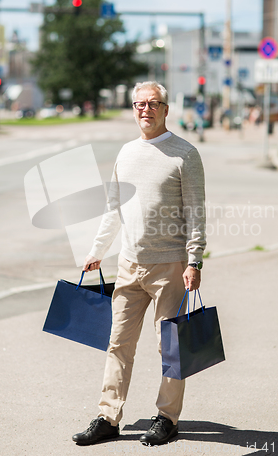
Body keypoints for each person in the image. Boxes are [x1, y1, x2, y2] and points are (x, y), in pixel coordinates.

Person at [72, 81, 206, 447]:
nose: (145, 109)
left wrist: (195, 259)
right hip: (129, 266)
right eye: (139, 104)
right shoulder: (127, 152)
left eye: (153, 103)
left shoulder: (185, 154)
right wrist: (98, 249)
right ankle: (107, 416)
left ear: (166, 109)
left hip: (170, 267)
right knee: (118, 343)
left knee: (171, 347)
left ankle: (167, 418)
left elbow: (196, 213)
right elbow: (114, 208)